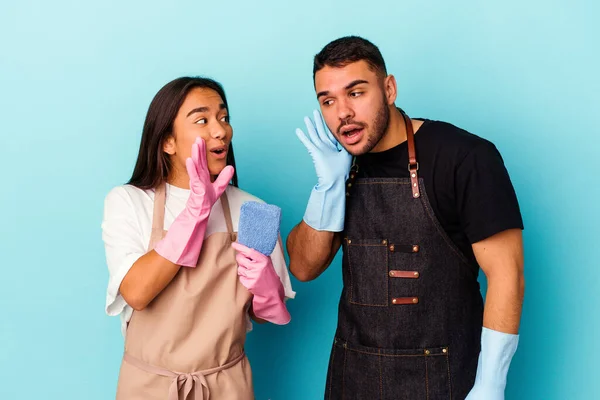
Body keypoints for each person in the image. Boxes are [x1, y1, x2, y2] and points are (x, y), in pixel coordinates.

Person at [287, 36, 524, 400]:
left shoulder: (465, 158)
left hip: (442, 381)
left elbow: (507, 273)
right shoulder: (341, 167)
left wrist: (491, 383)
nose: (342, 113)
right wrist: (326, 188)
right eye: (328, 100)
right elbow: (303, 267)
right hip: (354, 381)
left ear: (389, 88)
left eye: (356, 92)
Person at [101, 76, 295, 399]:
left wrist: (267, 289)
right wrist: (195, 212)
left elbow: (263, 316)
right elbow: (136, 292)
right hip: (149, 387)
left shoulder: (251, 209)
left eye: (223, 117)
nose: (220, 130)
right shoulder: (128, 201)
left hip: (227, 386)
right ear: (167, 142)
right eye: (202, 120)